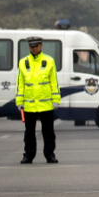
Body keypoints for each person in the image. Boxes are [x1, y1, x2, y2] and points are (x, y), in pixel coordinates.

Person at [16, 36, 61, 164]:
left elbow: (54, 82)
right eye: (31, 46)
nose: (34, 49)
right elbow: (20, 83)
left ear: (41, 46)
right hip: (29, 105)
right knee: (29, 133)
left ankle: (50, 154)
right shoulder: (23, 62)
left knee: (48, 132)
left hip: (46, 104)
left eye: (36, 46)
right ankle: (28, 155)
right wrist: (19, 102)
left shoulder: (49, 61)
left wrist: (56, 99)